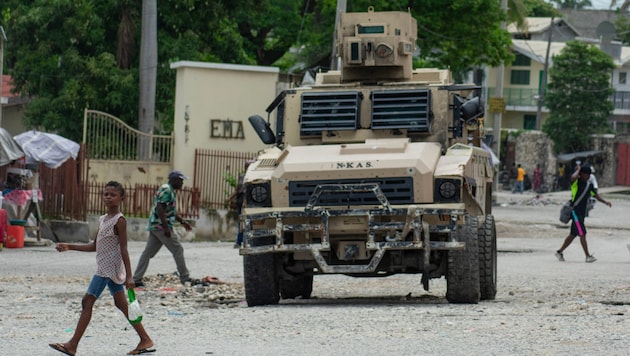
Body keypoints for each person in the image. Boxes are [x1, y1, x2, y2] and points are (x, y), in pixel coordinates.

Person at [49, 181, 155, 356]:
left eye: (113, 194)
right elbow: (95, 246)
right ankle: (145, 339)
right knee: (121, 304)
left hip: (108, 269)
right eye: (106, 194)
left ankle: (72, 345)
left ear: (121, 198)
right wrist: (69, 246)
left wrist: (130, 276)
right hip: (105, 266)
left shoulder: (119, 220)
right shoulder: (103, 219)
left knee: (87, 301)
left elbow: (124, 249)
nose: (108, 197)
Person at [133, 170, 194, 287]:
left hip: (156, 225)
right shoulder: (166, 190)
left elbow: (170, 211)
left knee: (148, 253)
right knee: (178, 250)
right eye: (181, 181)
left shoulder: (169, 190)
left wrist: (182, 222)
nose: (182, 184)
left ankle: (136, 279)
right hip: (160, 226)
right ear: (174, 180)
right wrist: (166, 228)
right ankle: (185, 278)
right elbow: (160, 209)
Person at [555, 165, 612, 263]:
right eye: (586, 174)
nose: (588, 176)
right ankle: (588, 256)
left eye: (589, 174)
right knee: (582, 233)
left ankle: (559, 252)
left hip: (581, 213)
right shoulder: (576, 183)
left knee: (573, 234)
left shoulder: (588, 185)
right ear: (582, 174)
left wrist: (605, 202)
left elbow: (596, 195)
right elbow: (573, 177)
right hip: (575, 213)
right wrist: (578, 169)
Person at [228, 161, 252, 248]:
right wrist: (230, 198)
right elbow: (237, 190)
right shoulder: (242, 176)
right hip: (240, 201)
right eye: (247, 166)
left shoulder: (254, 176)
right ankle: (239, 241)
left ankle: (247, 241)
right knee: (241, 222)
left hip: (249, 202)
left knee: (249, 222)